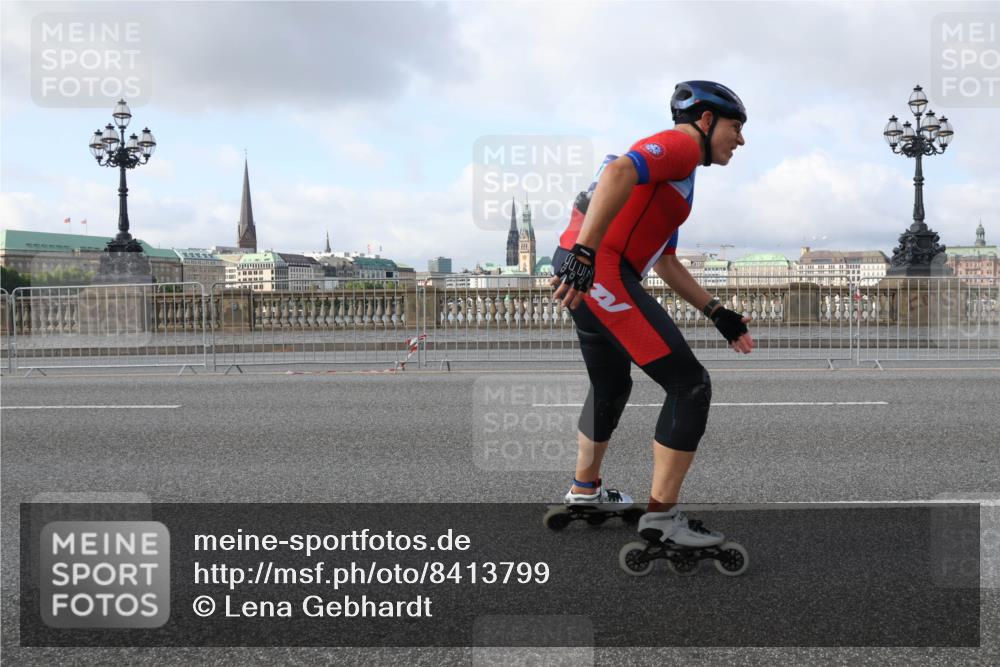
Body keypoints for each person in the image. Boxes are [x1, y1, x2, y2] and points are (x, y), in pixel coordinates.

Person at [549, 80, 755, 547]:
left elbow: (665, 260)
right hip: (598, 270)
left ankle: (586, 490)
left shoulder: (679, 181)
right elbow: (620, 169)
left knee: (612, 383)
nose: (740, 140)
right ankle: (662, 519)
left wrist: (716, 311)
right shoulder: (682, 146)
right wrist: (586, 254)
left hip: (589, 270)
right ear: (706, 121)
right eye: (735, 127)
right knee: (690, 385)